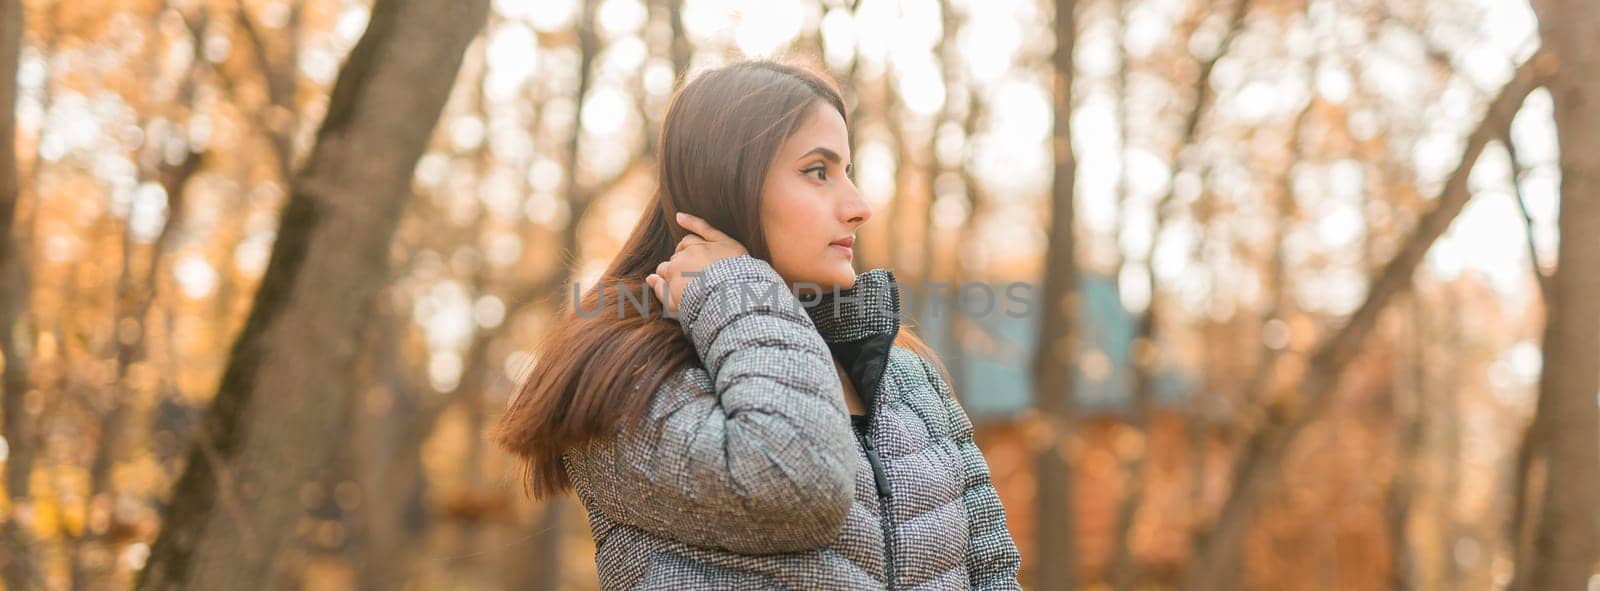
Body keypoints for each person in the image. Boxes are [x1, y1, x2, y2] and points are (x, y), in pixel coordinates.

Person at [492, 59, 1023, 590]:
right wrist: (734, 287)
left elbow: (994, 572)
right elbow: (797, 485)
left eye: (848, 171)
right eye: (818, 171)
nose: (858, 206)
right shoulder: (630, 376)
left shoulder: (906, 379)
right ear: (729, 182)